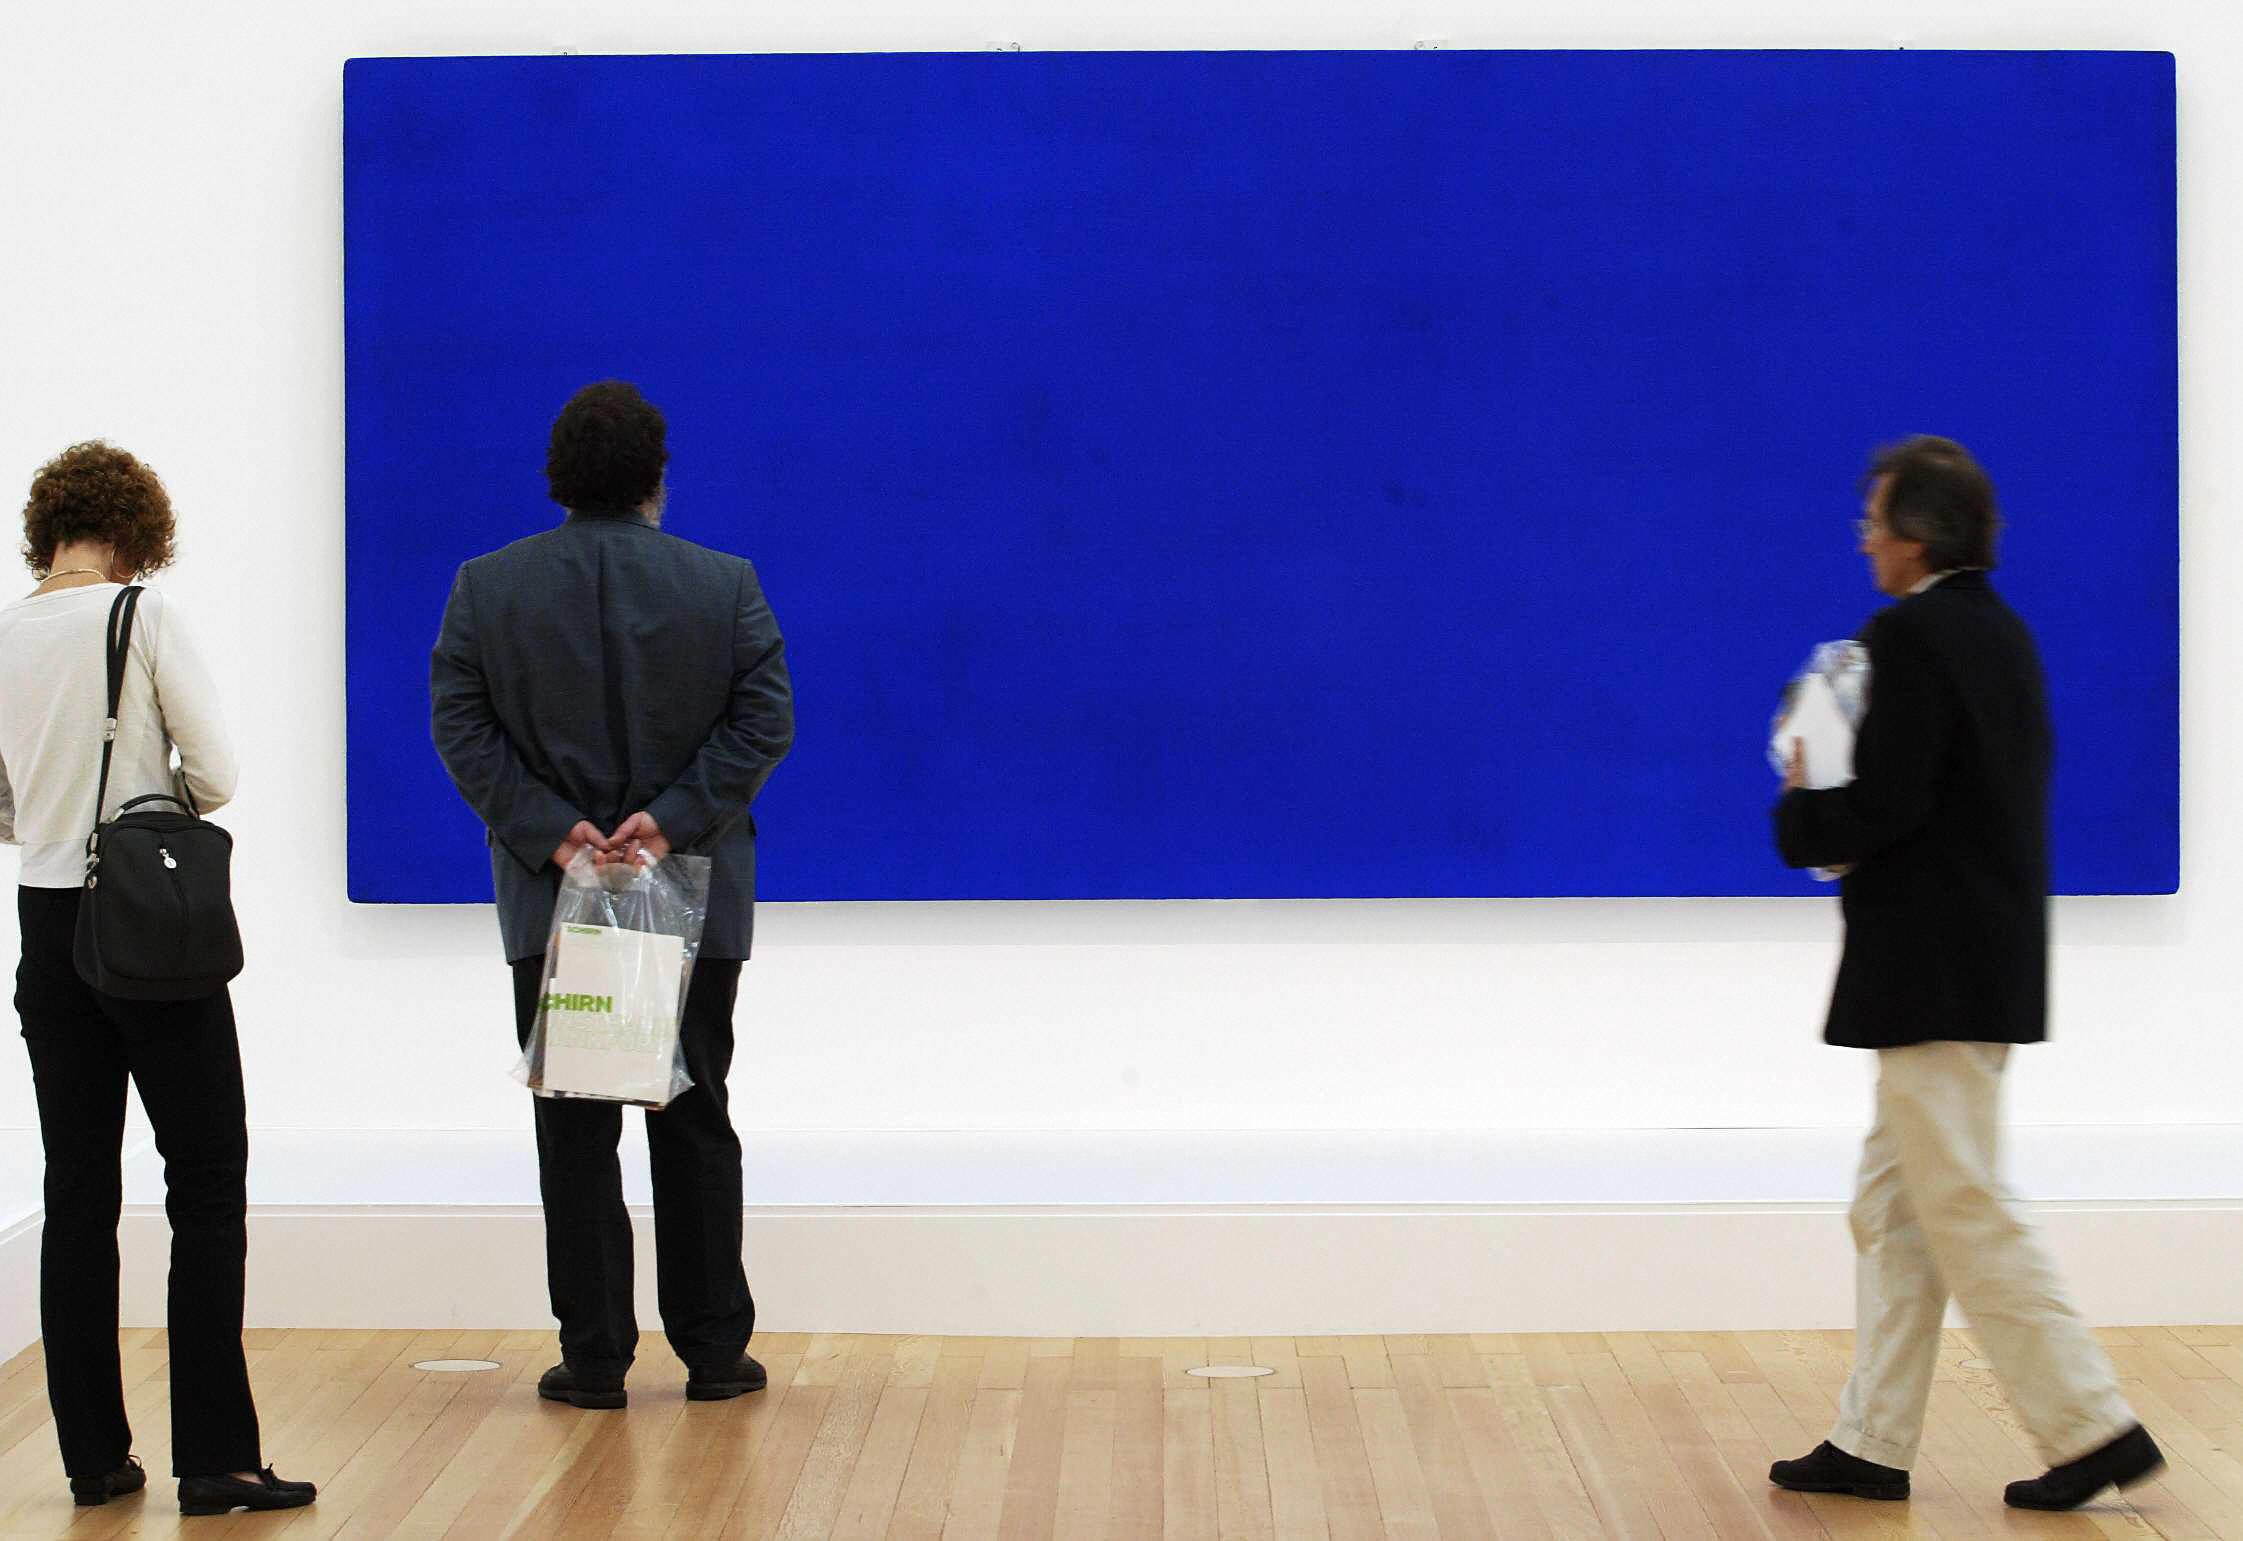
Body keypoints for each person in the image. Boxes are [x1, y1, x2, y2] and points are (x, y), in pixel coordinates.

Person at [1768, 437, 2162, 1512]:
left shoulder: (1910, 634)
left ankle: (2092, 1425)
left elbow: (1886, 802)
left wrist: (1802, 803)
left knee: (1962, 1202)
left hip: (1929, 970)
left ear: (1918, 534)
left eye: (1875, 520)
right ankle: (1869, 1439)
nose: (1864, 540)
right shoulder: (1999, 631)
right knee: (1893, 1208)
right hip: (1978, 963)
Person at [431, 380, 793, 1410]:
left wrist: (556, 833)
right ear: (655, 477)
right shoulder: (724, 584)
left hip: (556, 900)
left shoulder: (485, 587)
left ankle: (594, 1357)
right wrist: (666, 822)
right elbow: (763, 722)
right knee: (694, 1112)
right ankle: (713, 1350)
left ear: (557, 477)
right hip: (692, 896)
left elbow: (460, 726)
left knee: (576, 1130)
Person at [0, 443, 314, 1515]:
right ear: (136, 532)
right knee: (207, 1182)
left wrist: (56, 822)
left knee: (77, 1191)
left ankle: (94, 1459)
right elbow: (215, 775)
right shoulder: (140, 615)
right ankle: (216, 1458)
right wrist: (145, 802)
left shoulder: (6, 632)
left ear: (48, 529)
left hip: (46, 924)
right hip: (144, 921)